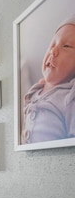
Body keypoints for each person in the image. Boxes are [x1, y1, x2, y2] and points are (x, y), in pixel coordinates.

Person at [22, 15, 75, 144]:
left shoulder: (69, 97)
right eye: (52, 45)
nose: (54, 51)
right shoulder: (35, 90)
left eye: (66, 46)